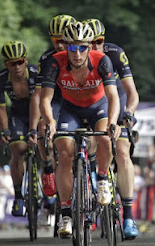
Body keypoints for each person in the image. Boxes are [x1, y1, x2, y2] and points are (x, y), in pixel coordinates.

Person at [40, 21, 121, 237]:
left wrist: (113, 122)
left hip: (98, 107)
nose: (77, 53)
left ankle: (102, 178)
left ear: (90, 47)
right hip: (71, 110)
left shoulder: (101, 61)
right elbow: (45, 98)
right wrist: (50, 121)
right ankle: (66, 212)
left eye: (82, 47)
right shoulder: (55, 63)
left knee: (104, 138)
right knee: (64, 153)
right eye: (72, 47)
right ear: (65, 47)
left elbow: (113, 96)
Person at [82, 18, 139, 239]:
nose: (95, 47)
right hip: (91, 103)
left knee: (123, 152)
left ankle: (128, 215)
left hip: (117, 99)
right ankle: (92, 179)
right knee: (90, 142)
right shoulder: (76, 59)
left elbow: (132, 92)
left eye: (99, 41)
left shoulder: (114, 53)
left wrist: (129, 112)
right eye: (91, 42)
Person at [28, 14, 76, 197]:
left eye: (64, 40)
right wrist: (33, 128)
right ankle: (48, 167)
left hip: (78, 99)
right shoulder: (47, 58)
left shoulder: (81, 53)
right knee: (43, 127)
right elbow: (38, 95)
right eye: (56, 40)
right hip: (55, 99)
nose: (60, 45)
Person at [0, 41, 38, 216]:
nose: (17, 67)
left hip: (38, 111)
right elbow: (1, 108)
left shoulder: (35, 74)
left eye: (20, 62)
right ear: (6, 64)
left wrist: (34, 129)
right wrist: (5, 131)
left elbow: (39, 103)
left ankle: (49, 171)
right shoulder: (1, 79)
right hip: (18, 114)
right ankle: (18, 196)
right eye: (12, 63)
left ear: (26, 61)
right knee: (18, 149)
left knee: (45, 146)